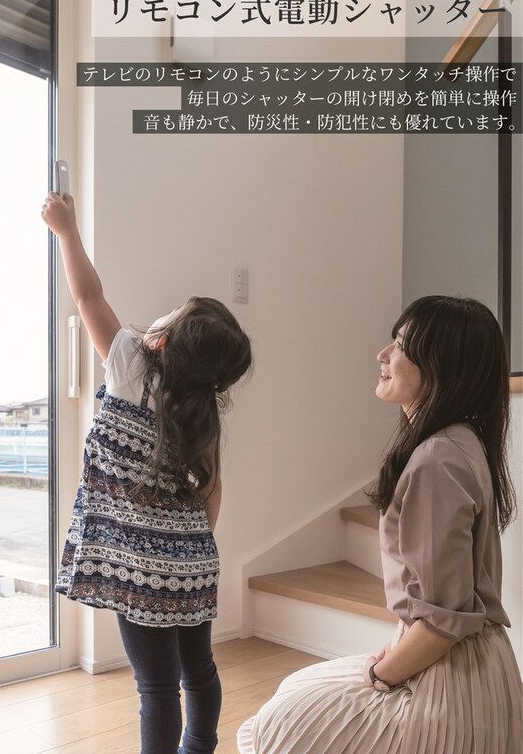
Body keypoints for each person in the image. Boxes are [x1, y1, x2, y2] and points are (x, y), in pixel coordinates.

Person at [238, 295, 522, 754]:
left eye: (401, 345)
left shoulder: (439, 459)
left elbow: (443, 622)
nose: (383, 355)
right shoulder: (462, 442)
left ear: (440, 366)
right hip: (478, 666)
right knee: (294, 693)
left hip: (452, 685)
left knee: (278, 725)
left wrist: (378, 675)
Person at [41, 191, 252, 754]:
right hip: (193, 562)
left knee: (156, 686)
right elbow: (212, 490)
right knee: (198, 669)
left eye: (174, 311)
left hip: (140, 569)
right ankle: (199, 748)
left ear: (162, 339)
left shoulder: (131, 364)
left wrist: (67, 232)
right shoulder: (202, 410)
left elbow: (88, 295)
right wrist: (191, 548)